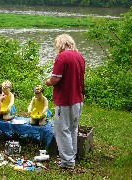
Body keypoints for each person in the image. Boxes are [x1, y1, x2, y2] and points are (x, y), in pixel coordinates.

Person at [45, 34, 85, 169]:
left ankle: (67, 162)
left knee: (62, 130)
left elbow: (55, 79)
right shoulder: (79, 56)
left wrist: (48, 82)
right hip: (78, 99)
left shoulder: (62, 57)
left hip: (65, 100)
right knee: (73, 129)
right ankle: (71, 156)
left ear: (60, 44)